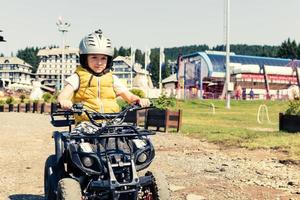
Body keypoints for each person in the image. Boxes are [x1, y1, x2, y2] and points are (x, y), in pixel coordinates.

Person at [58, 29, 150, 123]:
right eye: (94, 57)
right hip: (87, 123)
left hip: (111, 122)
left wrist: (138, 100)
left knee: (135, 136)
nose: (99, 62)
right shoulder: (77, 77)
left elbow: (129, 96)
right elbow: (64, 94)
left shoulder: (112, 79)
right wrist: (64, 101)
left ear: (108, 60)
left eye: (103, 58)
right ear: (85, 59)